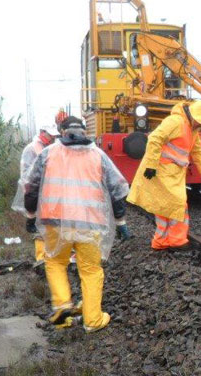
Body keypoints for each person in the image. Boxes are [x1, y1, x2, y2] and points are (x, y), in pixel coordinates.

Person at [24, 116, 130, 331]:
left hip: (54, 221)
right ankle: (93, 320)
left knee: (55, 262)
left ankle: (63, 306)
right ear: (84, 132)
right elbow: (118, 189)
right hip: (90, 223)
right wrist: (120, 222)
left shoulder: (48, 153)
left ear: (62, 132)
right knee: (90, 270)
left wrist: (30, 215)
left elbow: (31, 185)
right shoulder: (98, 156)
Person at [127, 100, 201, 250]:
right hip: (161, 170)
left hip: (173, 173)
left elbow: (197, 151)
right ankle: (177, 241)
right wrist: (151, 165)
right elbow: (154, 138)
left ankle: (160, 242)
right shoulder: (175, 122)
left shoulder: (192, 130)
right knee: (178, 204)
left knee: (165, 206)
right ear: (192, 115)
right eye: (200, 121)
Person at [12, 125, 59, 263]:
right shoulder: (32, 149)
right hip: (36, 193)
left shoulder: (46, 147)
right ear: (42, 133)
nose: (53, 138)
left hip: (47, 194)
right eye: (51, 135)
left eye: (54, 136)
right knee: (39, 227)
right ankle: (41, 259)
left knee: (48, 226)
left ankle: (49, 256)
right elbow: (27, 176)